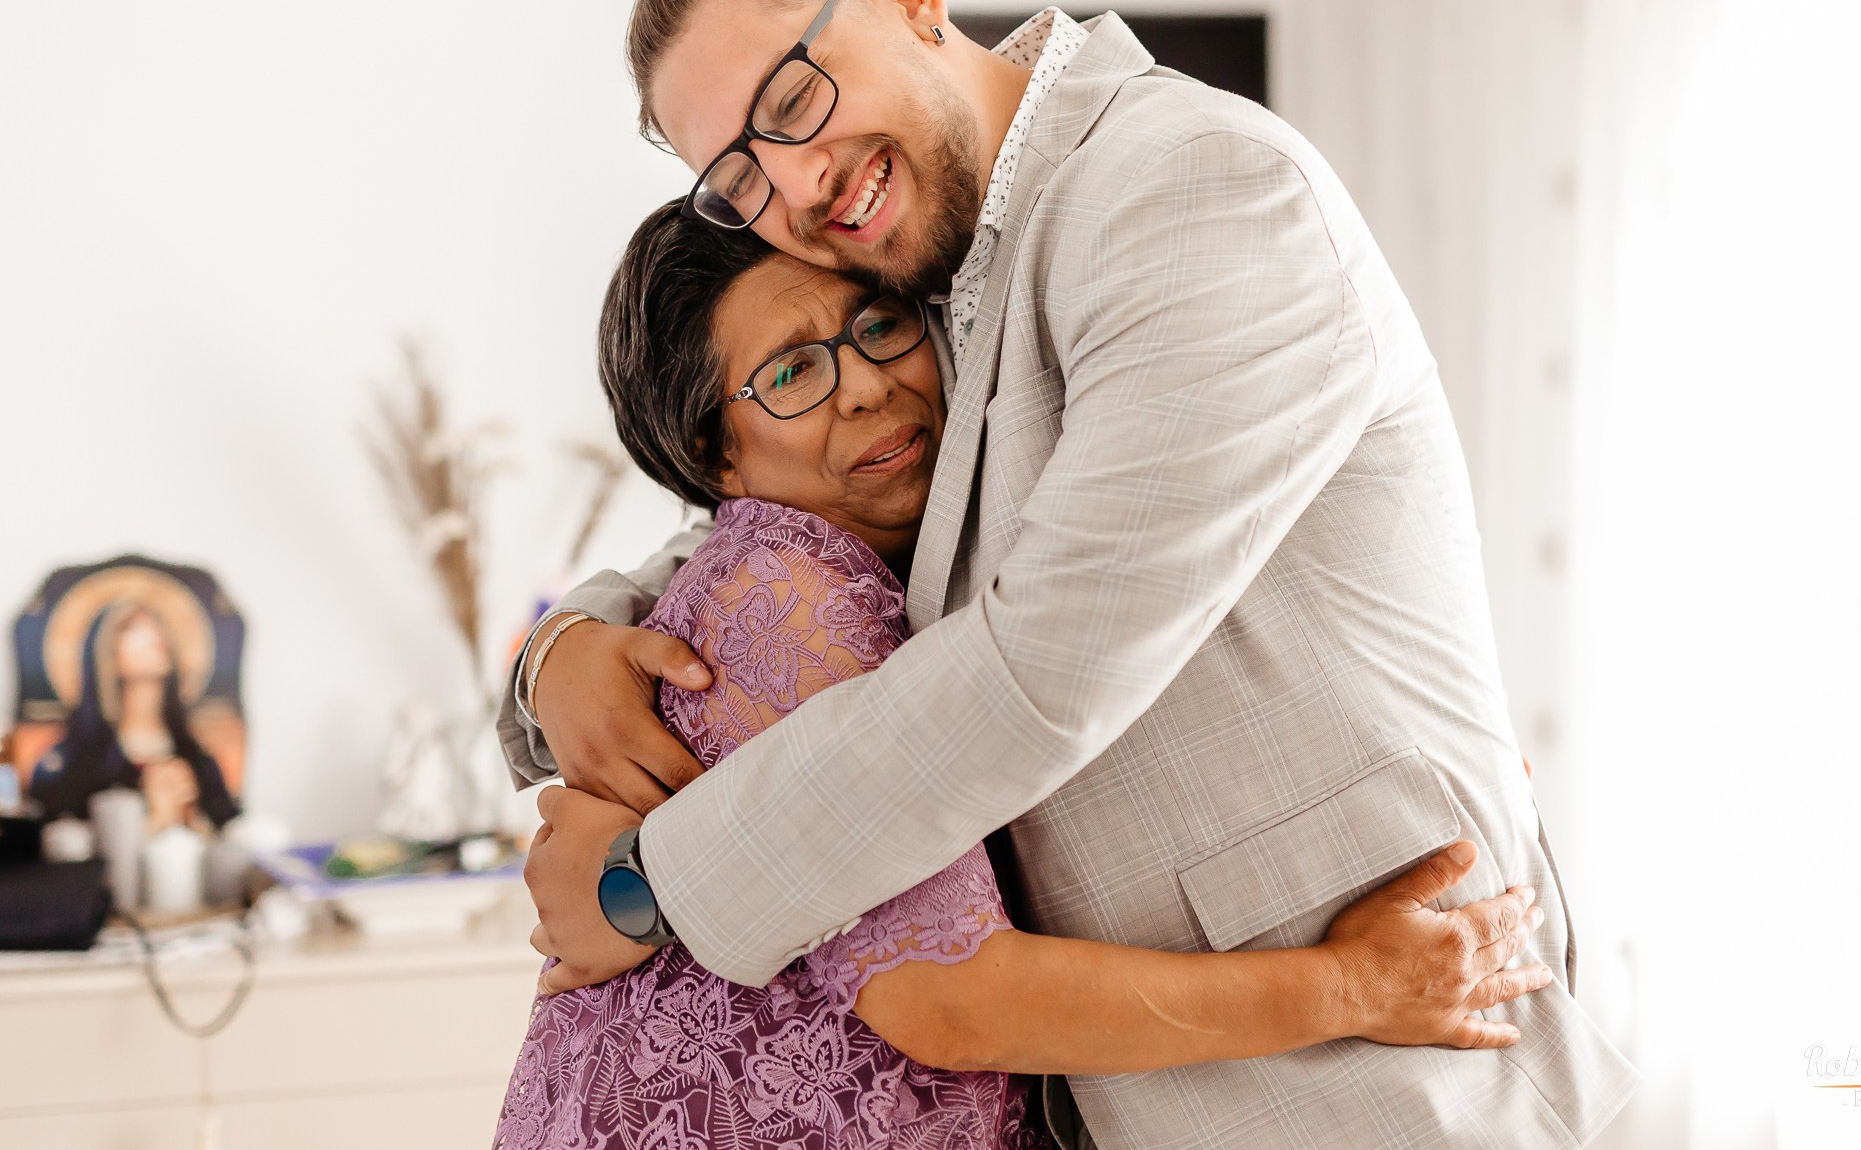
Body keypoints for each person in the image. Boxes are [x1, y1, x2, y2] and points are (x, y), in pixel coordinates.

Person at [509, 0, 1639, 1148]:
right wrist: (565, 651)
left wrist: (654, 884)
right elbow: (797, 501)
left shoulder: (1191, 191)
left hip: (1395, 1083)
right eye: (739, 174)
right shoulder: (941, 263)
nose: (797, 181)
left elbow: (1040, 670)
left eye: (792, 99)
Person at [496, 203, 1551, 1150]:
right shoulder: (789, 595)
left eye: (876, 325)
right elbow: (948, 999)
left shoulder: (912, 541)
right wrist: (1351, 987)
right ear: (709, 451)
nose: (865, 385)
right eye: (791, 371)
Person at [31, 602, 238, 831]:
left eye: (157, 626)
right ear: (105, 652)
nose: (154, 634)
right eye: (132, 628)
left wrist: (190, 815)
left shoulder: (195, 757)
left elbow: (228, 827)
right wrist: (152, 820)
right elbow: (54, 833)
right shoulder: (78, 759)